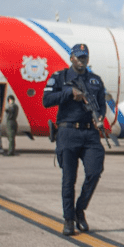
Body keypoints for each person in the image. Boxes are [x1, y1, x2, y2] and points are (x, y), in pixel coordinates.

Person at [42, 44, 106, 236]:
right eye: (78, 57)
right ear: (71, 58)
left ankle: (80, 209)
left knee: (95, 172)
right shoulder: (60, 77)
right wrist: (69, 93)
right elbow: (46, 100)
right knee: (69, 179)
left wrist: (100, 118)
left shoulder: (95, 81)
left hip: (90, 134)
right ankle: (69, 219)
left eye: (84, 57)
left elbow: (101, 106)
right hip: (68, 132)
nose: (81, 60)